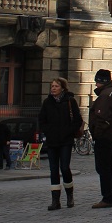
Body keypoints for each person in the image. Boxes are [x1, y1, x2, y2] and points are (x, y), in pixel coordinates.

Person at [38, 77, 83, 210]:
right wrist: (47, 130)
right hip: (52, 141)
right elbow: (42, 120)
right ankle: (55, 200)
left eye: (56, 86)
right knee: (53, 169)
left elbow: (77, 120)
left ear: (62, 88)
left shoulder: (70, 101)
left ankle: (70, 195)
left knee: (64, 167)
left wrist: (69, 131)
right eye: (52, 86)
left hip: (65, 141)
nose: (53, 88)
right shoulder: (47, 102)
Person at [89, 69, 112, 208]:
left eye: (97, 81)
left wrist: (97, 133)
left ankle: (108, 197)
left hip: (105, 136)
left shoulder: (106, 95)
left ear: (101, 81)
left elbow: (102, 118)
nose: (96, 85)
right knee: (110, 166)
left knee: (103, 167)